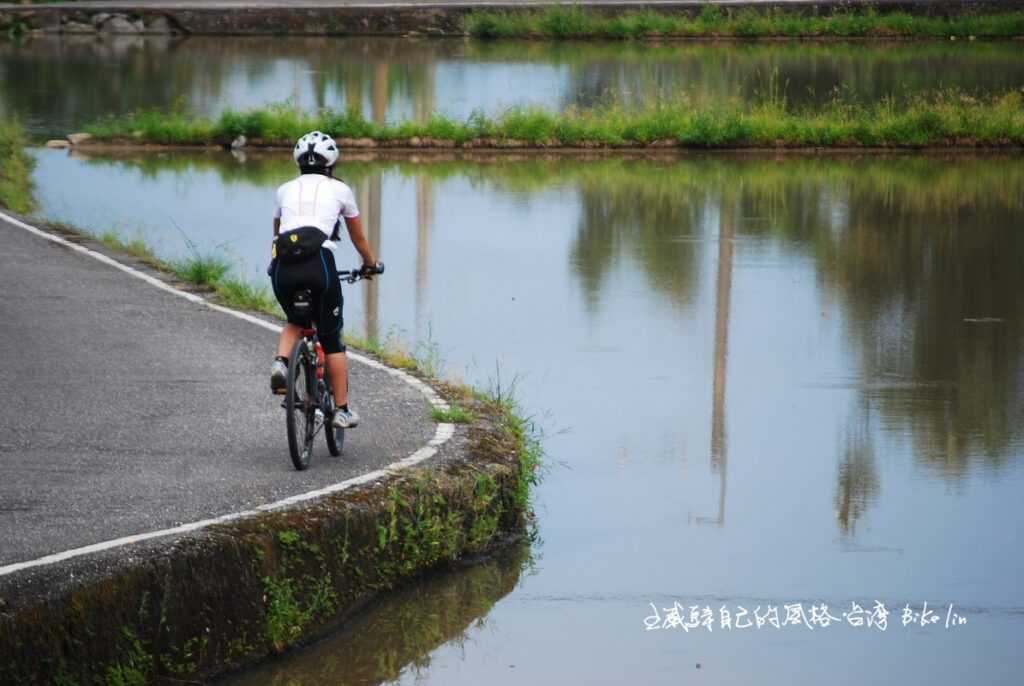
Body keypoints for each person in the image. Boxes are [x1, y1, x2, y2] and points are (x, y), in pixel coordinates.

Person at [268, 130, 379, 429]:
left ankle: (281, 362)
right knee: (331, 340)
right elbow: (358, 238)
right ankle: (341, 410)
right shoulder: (340, 190)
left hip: (283, 265)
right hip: (319, 263)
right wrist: (371, 265)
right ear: (332, 161)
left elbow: (277, 232)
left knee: (295, 320)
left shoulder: (284, 190)